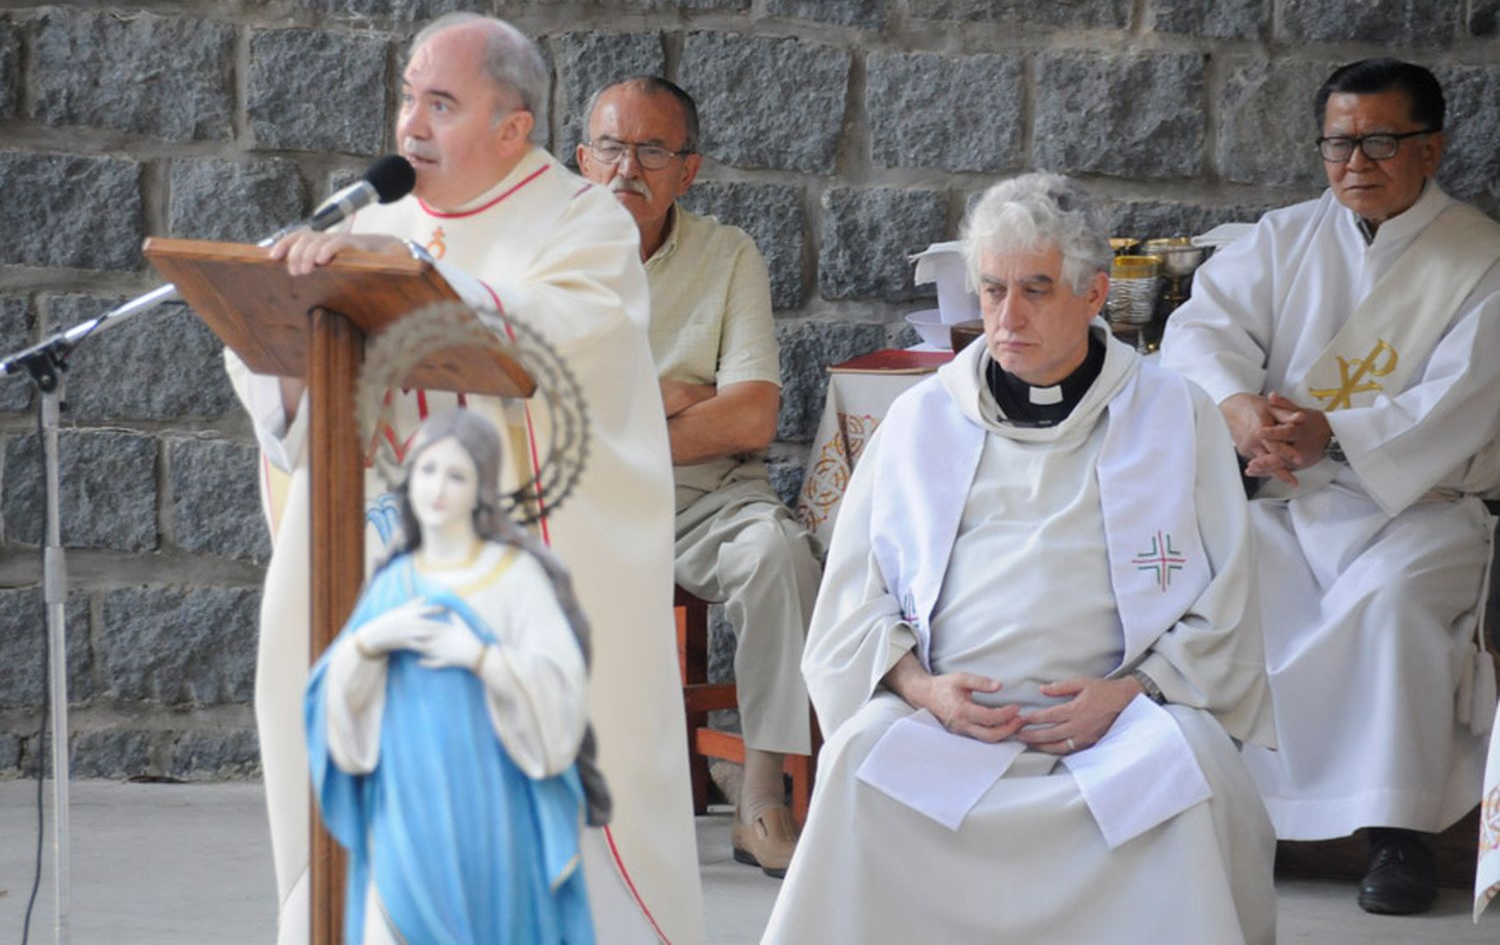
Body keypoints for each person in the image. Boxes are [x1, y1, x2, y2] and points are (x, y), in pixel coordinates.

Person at [226, 13, 703, 945]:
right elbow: (291, 402)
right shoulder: (368, 216)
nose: (410, 126)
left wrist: (411, 284)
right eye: (408, 97)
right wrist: (286, 334)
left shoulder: (583, 222)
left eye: (439, 104)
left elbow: (566, 342)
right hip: (359, 552)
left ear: (512, 128)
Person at [762, 173, 1277, 944]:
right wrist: (922, 688)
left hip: (1115, 724)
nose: (1006, 317)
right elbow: (852, 600)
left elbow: (1227, 600)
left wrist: (1131, 693)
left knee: (1198, 772)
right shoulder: (920, 419)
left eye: (1035, 289)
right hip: (950, 722)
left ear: (1095, 292)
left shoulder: (1174, 414)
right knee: (860, 758)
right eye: (993, 289)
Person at [1162, 58, 1500, 916]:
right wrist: (1241, 410)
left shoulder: (1482, 260)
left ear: (1432, 149)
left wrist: (1334, 434)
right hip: (1294, 499)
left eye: (1381, 141)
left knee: (1389, 607)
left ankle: (1398, 834)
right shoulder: (1281, 237)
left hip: (1420, 506)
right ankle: (1256, 816)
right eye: (1339, 143)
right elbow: (1200, 329)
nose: (1357, 162)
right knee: (1247, 586)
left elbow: (1462, 399)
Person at [576, 76, 821, 877]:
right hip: (582, 497)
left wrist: (622, 412)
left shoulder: (727, 255)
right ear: (582, 159)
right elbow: (546, 416)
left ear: (690, 169)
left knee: (780, 555)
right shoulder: (546, 260)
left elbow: (751, 418)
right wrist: (677, 397)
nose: (627, 168)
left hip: (709, 500)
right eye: (611, 146)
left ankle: (759, 801)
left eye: (652, 149)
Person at [306, 409, 601, 944]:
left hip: (490, 801)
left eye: (457, 475)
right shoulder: (394, 583)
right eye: (427, 470)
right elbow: (332, 695)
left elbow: (559, 686)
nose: (438, 488)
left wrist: (482, 658)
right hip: (405, 797)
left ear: (481, 489)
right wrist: (371, 641)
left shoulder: (514, 577)